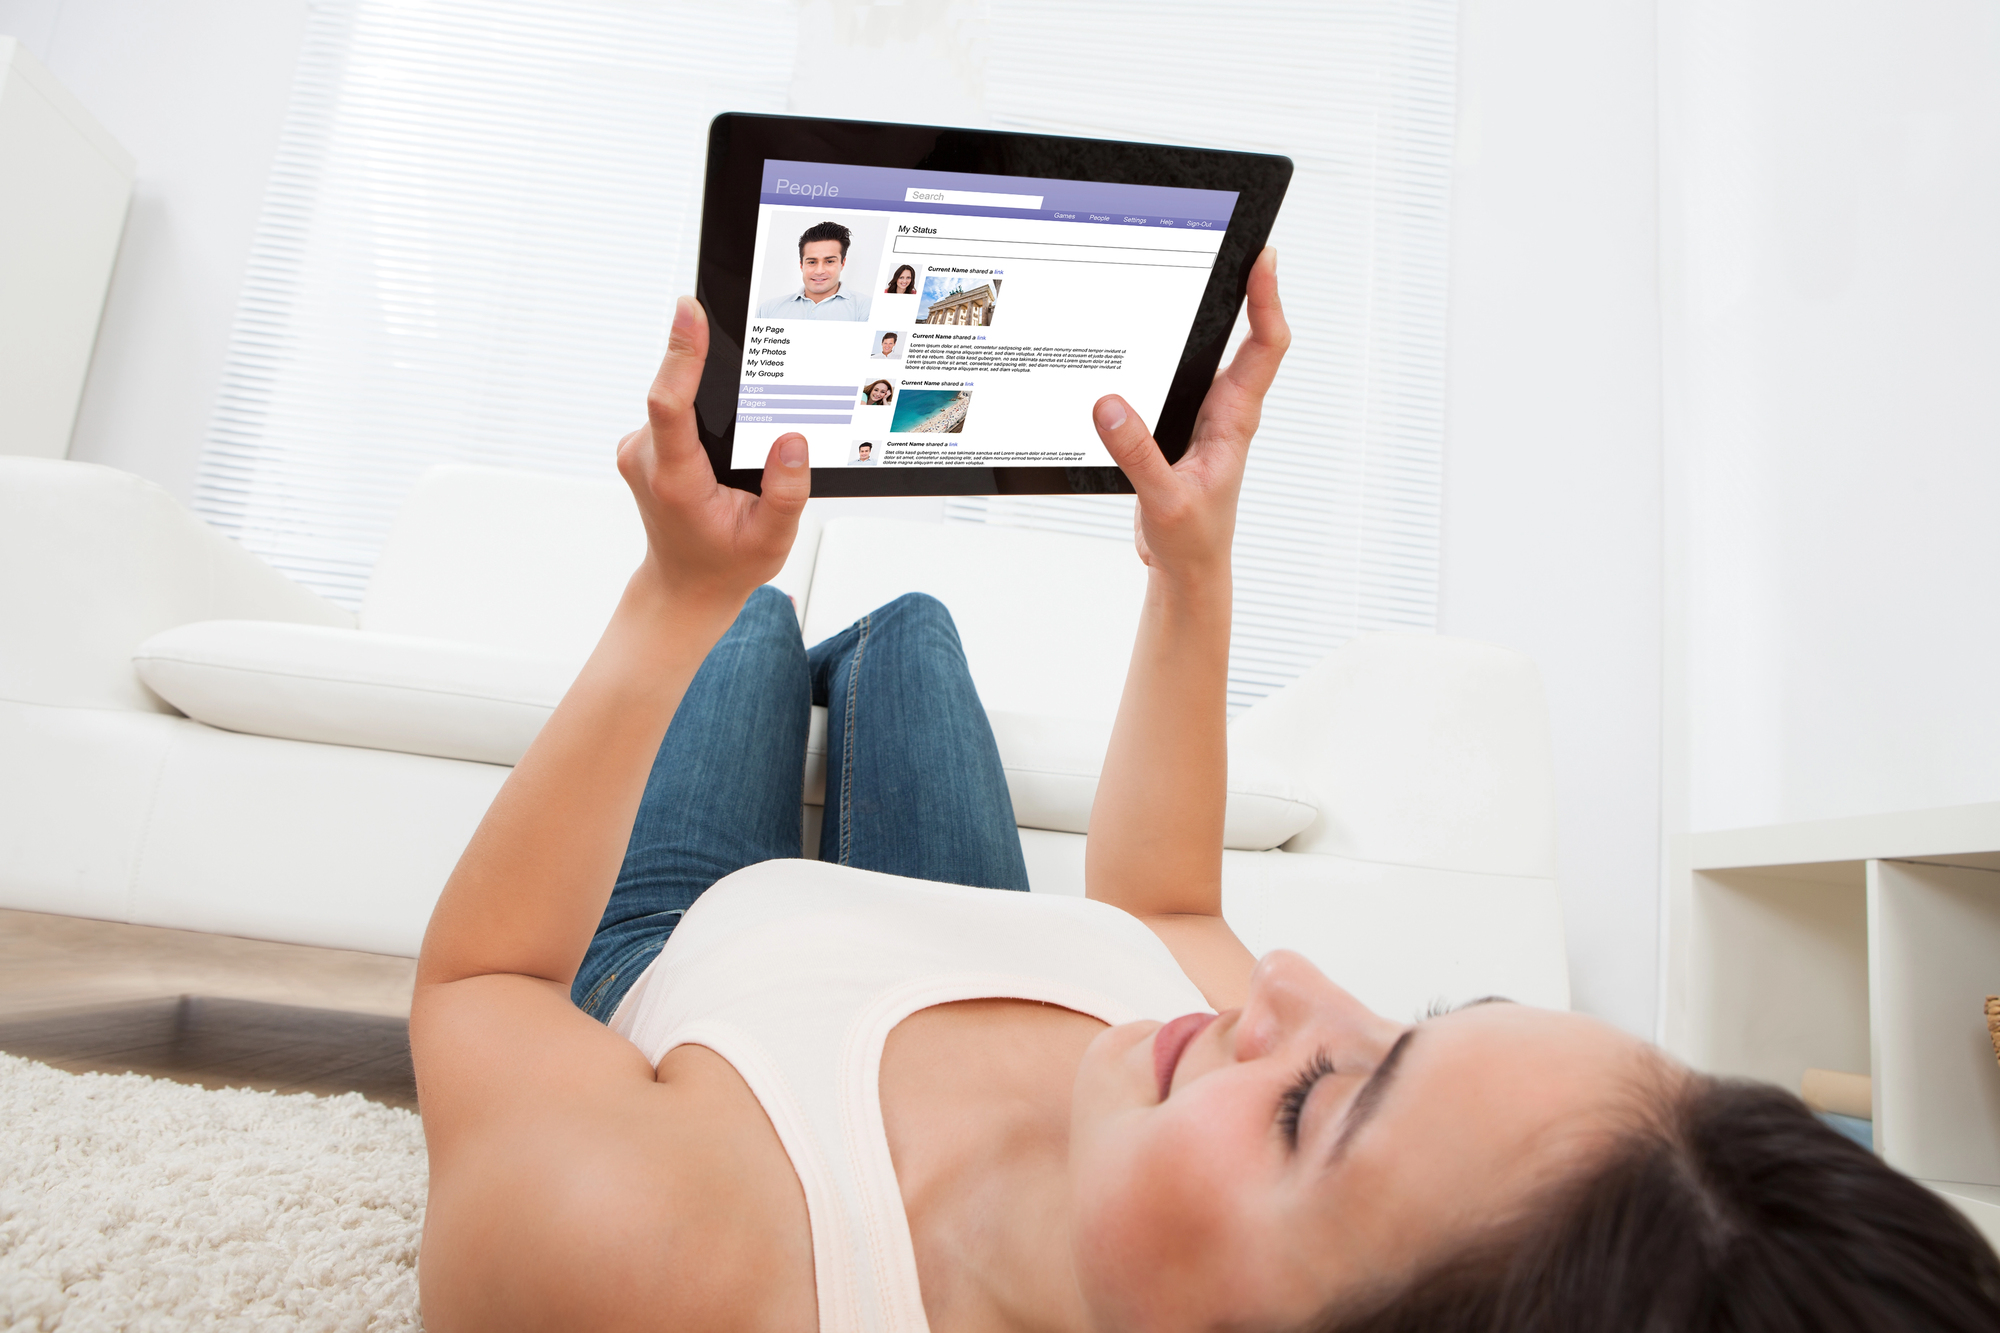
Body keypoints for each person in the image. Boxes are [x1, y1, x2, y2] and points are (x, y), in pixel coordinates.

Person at [411, 251, 2000, 1333]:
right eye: (1406, 1022)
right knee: (914, 635)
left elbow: (485, 982)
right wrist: (1192, 562)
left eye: (1321, 1101)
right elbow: (1167, 904)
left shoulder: (658, 1249)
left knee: (750, 631)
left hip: (720, 942)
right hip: (982, 922)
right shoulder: (1193, 1047)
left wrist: (671, 601)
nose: (1291, 984)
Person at [756, 220, 870, 321]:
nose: (819, 271)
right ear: (801, 265)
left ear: (842, 263)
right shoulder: (768, 310)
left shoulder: (866, 308)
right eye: (812, 262)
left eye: (829, 261)